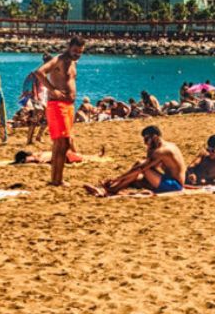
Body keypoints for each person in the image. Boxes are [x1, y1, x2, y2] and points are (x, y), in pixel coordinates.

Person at [86, 124, 187, 196]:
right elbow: (152, 166)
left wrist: (117, 178)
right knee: (136, 179)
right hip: (170, 181)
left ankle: (111, 189)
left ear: (155, 137)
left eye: (147, 139)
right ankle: (111, 187)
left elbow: (142, 168)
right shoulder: (168, 145)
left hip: (174, 185)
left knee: (138, 168)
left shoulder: (162, 151)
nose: (145, 142)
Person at [36, 39, 84, 187]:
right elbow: (39, 72)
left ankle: (56, 179)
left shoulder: (73, 63)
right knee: (62, 142)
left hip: (68, 106)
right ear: (69, 47)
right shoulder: (59, 60)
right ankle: (57, 179)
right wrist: (53, 90)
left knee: (62, 144)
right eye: (75, 50)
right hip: (57, 105)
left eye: (80, 52)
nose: (77, 54)